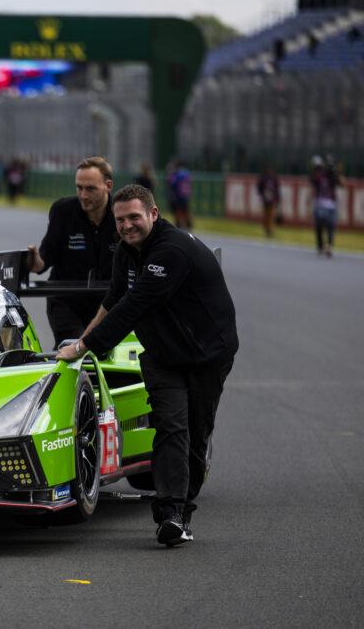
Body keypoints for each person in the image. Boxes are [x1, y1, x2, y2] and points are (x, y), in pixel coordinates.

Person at [57, 184, 238, 547]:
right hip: (163, 355)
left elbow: (134, 305)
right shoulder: (126, 252)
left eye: (134, 217)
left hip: (208, 355)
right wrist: (81, 344)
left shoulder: (172, 250)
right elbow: (113, 301)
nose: (127, 226)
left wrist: (82, 346)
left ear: (153, 214)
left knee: (196, 433)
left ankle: (183, 508)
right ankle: (171, 515)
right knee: (171, 426)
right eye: (120, 220)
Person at [27, 156, 117, 346]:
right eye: (79, 188)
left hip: (108, 303)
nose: (83, 195)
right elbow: (46, 256)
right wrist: (36, 262)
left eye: (91, 188)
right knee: (73, 350)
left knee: (107, 353)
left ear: (108, 186)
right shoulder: (63, 210)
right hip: (66, 300)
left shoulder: (122, 214)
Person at [308, 155, 345, 257]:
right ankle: (327, 245)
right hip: (329, 204)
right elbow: (343, 183)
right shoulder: (328, 176)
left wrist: (309, 202)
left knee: (321, 226)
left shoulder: (322, 176)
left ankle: (322, 246)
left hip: (322, 204)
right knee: (330, 227)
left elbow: (313, 189)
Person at [165, 158, 193, 229]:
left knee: (177, 209)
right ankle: (188, 223)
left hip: (177, 194)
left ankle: (179, 223)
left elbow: (173, 184)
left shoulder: (176, 173)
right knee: (185, 209)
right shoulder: (186, 173)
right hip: (185, 194)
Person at [256, 165, 281, 238]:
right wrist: (261, 195)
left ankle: (270, 230)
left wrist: (278, 198)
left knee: (272, 215)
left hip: (272, 200)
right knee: (265, 215)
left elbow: (277, 189)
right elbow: (259, 188)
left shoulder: (274, 178)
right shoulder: (263, 178)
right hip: (265, 199)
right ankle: (267, 229)